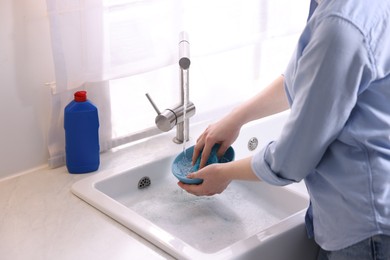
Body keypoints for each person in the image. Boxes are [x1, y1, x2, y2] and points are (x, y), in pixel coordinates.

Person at [177, 0, 390, 259]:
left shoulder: (341, 25)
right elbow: (308, 79)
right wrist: (236, 118)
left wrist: (224, 173)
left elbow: (291, 160)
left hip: (367, 228)